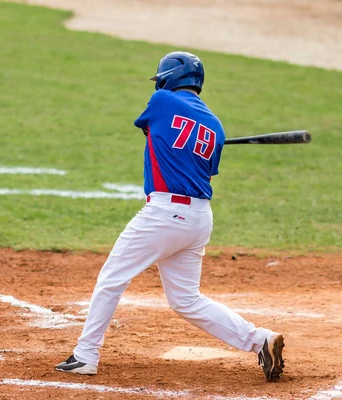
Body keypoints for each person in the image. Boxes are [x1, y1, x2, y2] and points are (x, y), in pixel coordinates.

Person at [55, 52, 285, 382]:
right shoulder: (215, 126)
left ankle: (85, 355)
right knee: (186, 300)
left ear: (169, 78)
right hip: (199, 220)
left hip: (164, 215)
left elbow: (149, 131)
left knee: (111, 279)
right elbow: (200, 165)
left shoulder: (161, 100)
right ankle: (259, 339)